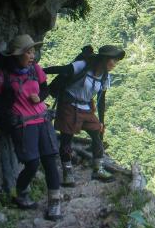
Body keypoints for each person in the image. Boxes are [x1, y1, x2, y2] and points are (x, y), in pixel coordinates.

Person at [0, 34, 62, 219]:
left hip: (43, 120)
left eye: (33, 52)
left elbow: (45, 88)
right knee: (32, 163)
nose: (32, 56)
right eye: (28, 52)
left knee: (50, 161)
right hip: (24, 124)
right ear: (17, 54)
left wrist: (40, 98)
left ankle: (55, 203)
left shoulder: (35, 70)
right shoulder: (4, 76)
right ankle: (21, 192)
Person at [48, 45, 125, 186]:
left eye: (116, 61)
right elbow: (62, 69)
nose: (114, 64)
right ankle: (67, 173)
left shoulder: (105, 76)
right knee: (66, 140)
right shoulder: (83, 65)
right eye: (113, 60)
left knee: (96, 134)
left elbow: (101, 99)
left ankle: (98, 169)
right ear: (104, 59)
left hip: (86, 108)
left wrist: (101, 122)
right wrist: (39, 71)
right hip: (68, 105)